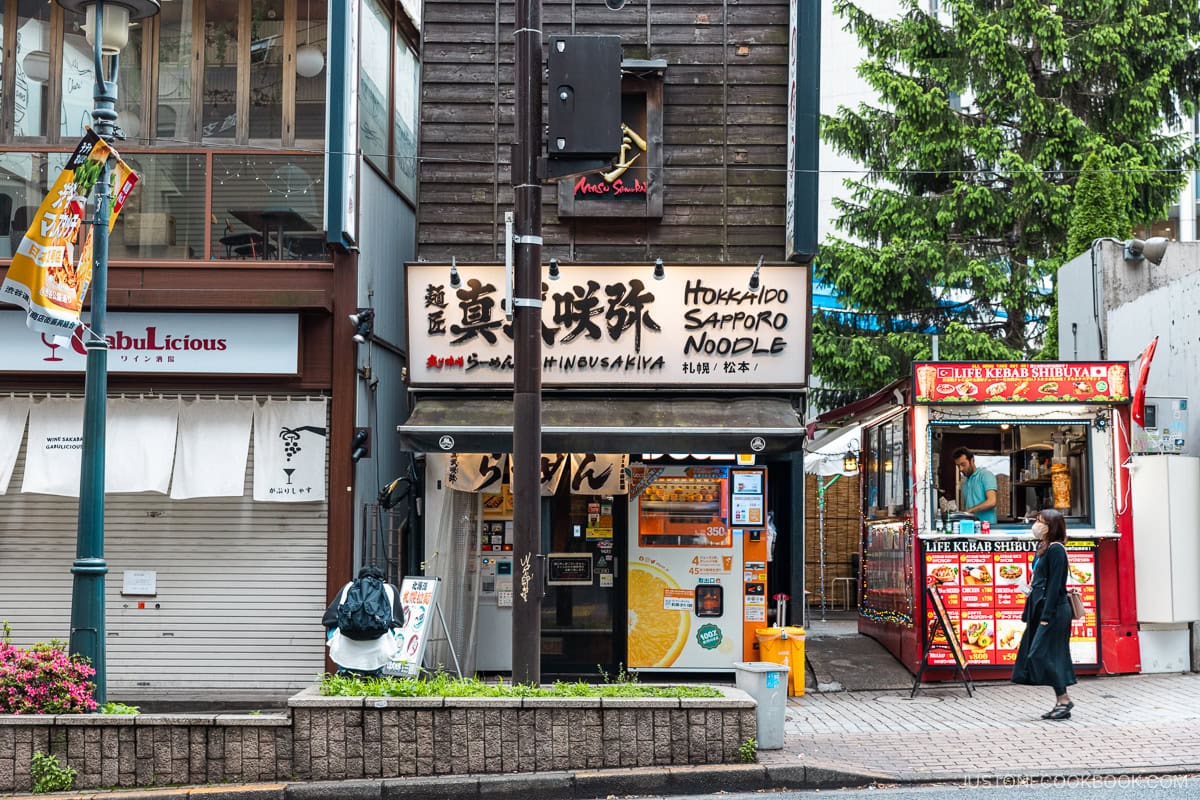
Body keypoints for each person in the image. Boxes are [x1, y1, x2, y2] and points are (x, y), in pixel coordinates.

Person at [1011, 508, 1076, 720]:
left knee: (1043, 653)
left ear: (1051, 526)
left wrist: (1047, 617)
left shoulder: (1056, 550)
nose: (1036, 525)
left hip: (1054, 611)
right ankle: (1062, 700)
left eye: (1040, 521)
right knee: (1043, 654)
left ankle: (1064, 699)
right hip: (1041, 609)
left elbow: (1056, 584)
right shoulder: (1043, 547)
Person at [321, 566, 404, 676]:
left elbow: (328, 620)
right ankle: (378, 671)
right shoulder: (390, 589)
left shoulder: (348, 587)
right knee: (394, 630)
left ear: (359, 578)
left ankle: (343, 669)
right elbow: (398, 622)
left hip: (345, 649)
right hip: (380, 650)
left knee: (333, 628)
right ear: (383, 580)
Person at [952, 447, 997, 524]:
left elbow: (992, 501)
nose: (960, 469)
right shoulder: (965, 483)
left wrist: (970, 511)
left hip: (987, 529)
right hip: (970, 528)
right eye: (958, 466)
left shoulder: (985, 475)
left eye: (963, 464)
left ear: (972, 460)